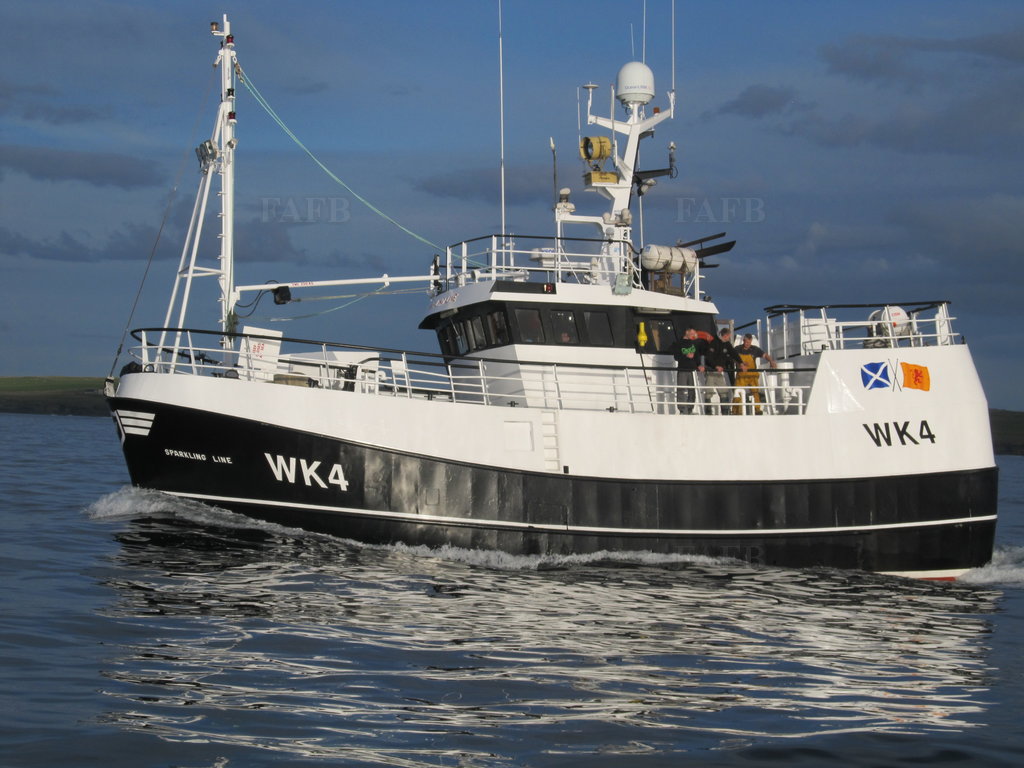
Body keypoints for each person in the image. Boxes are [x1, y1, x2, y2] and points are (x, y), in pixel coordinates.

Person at [703, 328, 745, 414]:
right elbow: (708, 358)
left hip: (719, 373)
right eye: (729, 336)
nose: (729, 338)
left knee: (724, 392)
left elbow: (733, 353)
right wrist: (716, 366)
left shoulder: (727, 344)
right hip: (711, 372)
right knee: (708, 392)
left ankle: (725, 412)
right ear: (725, 335)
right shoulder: (714, 343)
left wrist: (741, 363)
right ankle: (708, 412)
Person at [733, 333, 777, 413]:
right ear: (743, 340)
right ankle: (736, 411)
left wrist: (771, 361)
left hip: (752, 375)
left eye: (749, 342)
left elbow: (765, 355)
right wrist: (740, 364)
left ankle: (757, 409)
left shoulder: (755, 349)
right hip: (741, 375)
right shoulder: (737, 349)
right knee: (738, 392)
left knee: (755, 392)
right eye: (746, 342)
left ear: (751, 341)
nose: (747, 344)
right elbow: (733, 358)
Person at [673, 328, 707, 414]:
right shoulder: (679, 343)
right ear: (686, 333)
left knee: (692, 390)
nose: (693, 335)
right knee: (682, 390)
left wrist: (699, 365)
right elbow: (676, 357)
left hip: (692, 371)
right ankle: (682, 409)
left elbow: (696, 357)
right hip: (682, 369)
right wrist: (686, 355)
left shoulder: (693, 344)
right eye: (692, 333)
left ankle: (689, 409)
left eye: (694, 334)